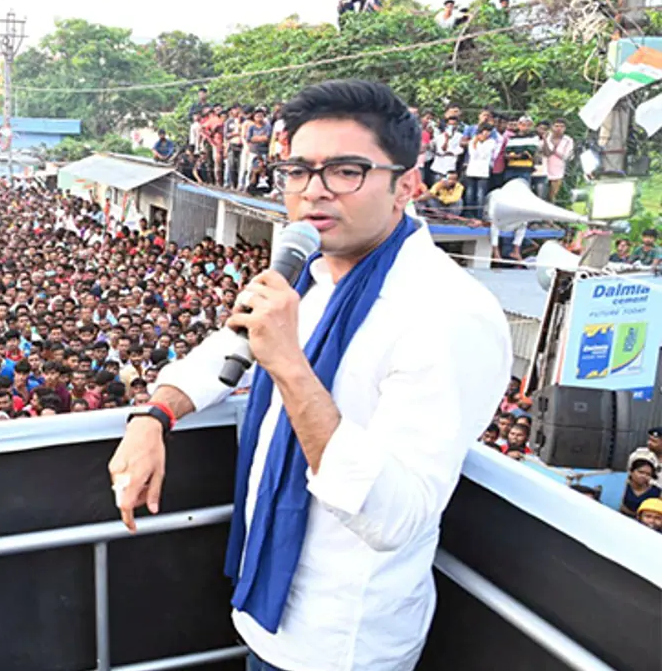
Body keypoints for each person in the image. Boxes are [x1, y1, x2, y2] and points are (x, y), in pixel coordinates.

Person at [107, 79, 511, 671]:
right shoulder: (313, 273)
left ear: (406, 185)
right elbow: (237, 341)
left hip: (343, 640)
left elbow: (394, 515)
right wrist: (155, 414)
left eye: (346, 171)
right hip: (266, 605)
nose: (314, 193)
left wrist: (290, 365)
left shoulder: (446, 313)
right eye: (298, 171)